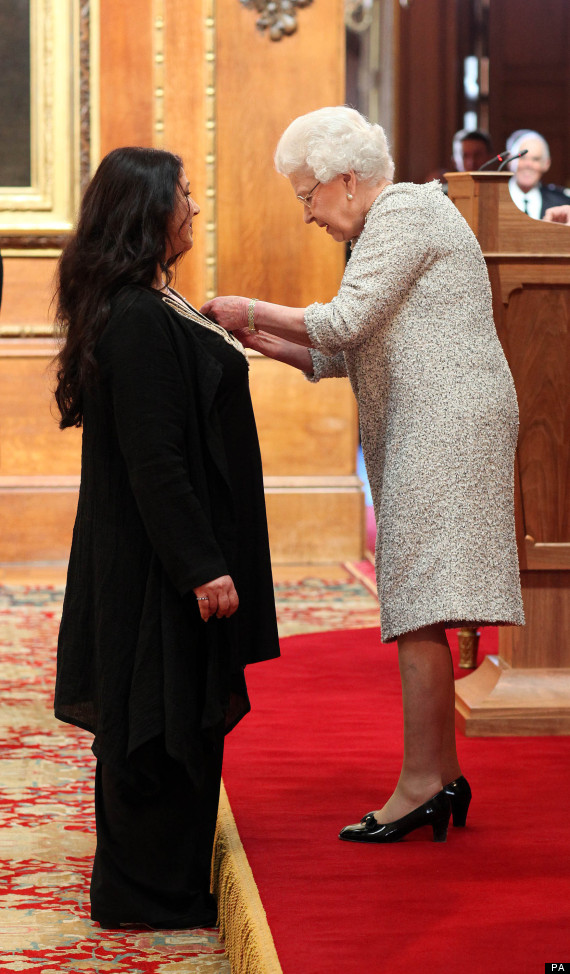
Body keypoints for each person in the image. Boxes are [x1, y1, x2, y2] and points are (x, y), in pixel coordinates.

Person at [201, 106, 525, 845]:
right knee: (421, 599)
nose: (307, 212)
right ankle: (438, 776)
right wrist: (264, 339)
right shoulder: (394, 221)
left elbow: (344, 323)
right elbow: (348, 349)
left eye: (306, 193)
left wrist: (249, 306)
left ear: (347, 179)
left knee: (417, 601)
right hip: (439, 416)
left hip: (450, 419)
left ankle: (423, 783)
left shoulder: (405, 211)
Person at [53, 146, 280, 928]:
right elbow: (156, 462)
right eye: (184, 194)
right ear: (148, 212)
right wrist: (203, 566)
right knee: (156, 721)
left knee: (178, 714)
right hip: (159, 567)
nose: (193, 205)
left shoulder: (154, 303)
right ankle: (147, 894)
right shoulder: (140, 320)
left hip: (166, 559)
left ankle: (168, 885)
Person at [506, 129, 570, 219]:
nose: (528, 164)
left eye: (535, 159)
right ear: (510, 161)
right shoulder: (494, 201)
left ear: (547, 163)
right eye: (523, 158)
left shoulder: (562, 203)